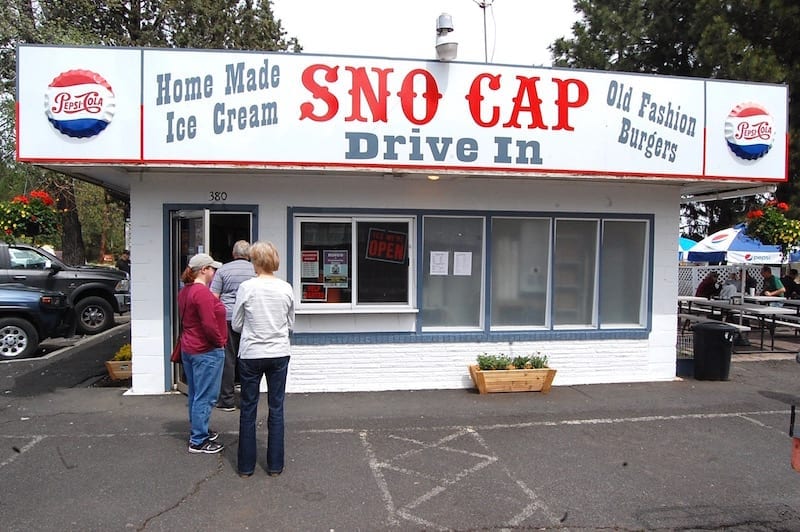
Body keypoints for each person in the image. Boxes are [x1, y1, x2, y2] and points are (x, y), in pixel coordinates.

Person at [231, 241, 295, 478]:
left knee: (248, 408)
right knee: (276, 408)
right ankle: (275, 465)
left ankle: (246, 467)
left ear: (255, 262)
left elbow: (236, 324)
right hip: (278, 352)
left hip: (251, 353)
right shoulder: (286, 288)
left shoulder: (247, 288)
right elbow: (291, 323)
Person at [177, 253, 228, 454]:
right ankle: (198, 439)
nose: (215, 272)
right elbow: (209, 323)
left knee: (196, 394)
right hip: (206, 350)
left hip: (189, 347)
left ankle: (199, 429)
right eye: (212, 268)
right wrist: (220, 342)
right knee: (206, 395)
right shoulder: (202, 293)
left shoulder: (185, 292)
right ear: (204, 270)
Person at [210, 240, 256, 411]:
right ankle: (247, 399)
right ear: (249, 255)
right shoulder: (255, 270)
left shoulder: (223, 270)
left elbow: (214, 297)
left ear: (233, 253)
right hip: (248, 318)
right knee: (247, 357)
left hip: (228, 318)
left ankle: (227, 400)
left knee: (228, 358)